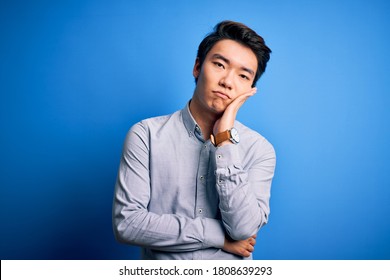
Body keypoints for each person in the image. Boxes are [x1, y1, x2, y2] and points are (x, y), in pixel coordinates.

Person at [112, 20, 276, 260]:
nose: (228, 82)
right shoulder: (145, 135)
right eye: (219, 65)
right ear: (197, 67)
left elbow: (242, 229)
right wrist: (218, 236)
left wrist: (224, 140)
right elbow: (128, 224)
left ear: (250, 89)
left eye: (242, 75)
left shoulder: (260, 150)